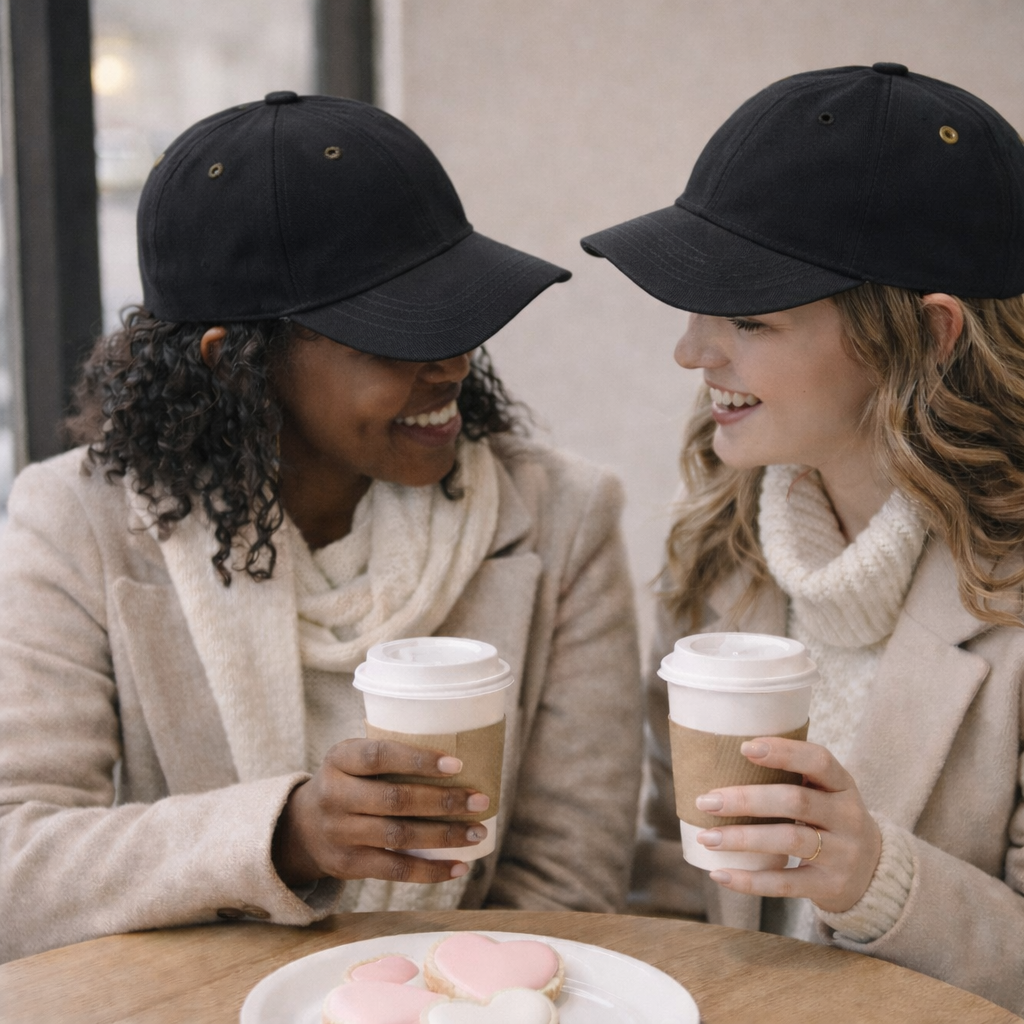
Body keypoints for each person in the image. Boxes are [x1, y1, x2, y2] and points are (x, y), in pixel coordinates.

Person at [0, 92, 642, 962]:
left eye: (459, 312)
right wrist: (282, 838)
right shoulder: (75, 523)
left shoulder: (563, 520)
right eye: (399, 334)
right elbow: (15, 868)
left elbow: (572, 889)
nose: (452, 361)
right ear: (235, 363)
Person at [580, 63, 1024, 1013]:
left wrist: (877, 879)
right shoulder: (720, 546)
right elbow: (671, 877)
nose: (694, 352)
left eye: (749, 316)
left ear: (929, 332)